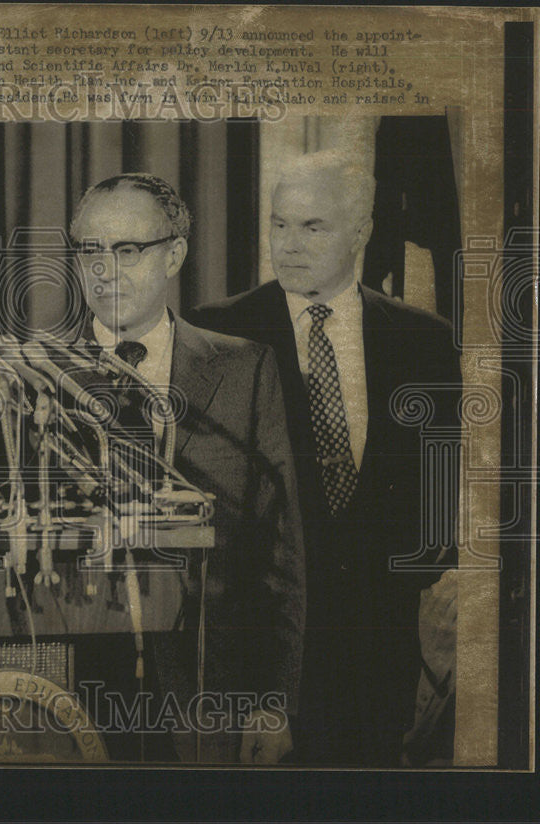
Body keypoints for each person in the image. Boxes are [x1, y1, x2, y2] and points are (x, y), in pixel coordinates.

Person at [190, 151, 461, 766]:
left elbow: (436, 513)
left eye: (313, 227)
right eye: (279, 225)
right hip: (258, 671)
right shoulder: (218, 334)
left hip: (379, 668)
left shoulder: (426, 342)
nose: (288, 245)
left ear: (361, 231)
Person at [69, 173, 305, 763]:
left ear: (174, 253)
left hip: (212, 693)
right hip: (75, 695)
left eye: (127, 250)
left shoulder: (246, 369)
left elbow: (281, 550)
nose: (105, 270)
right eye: (89, 250)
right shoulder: (35, 377)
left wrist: (273, 702)